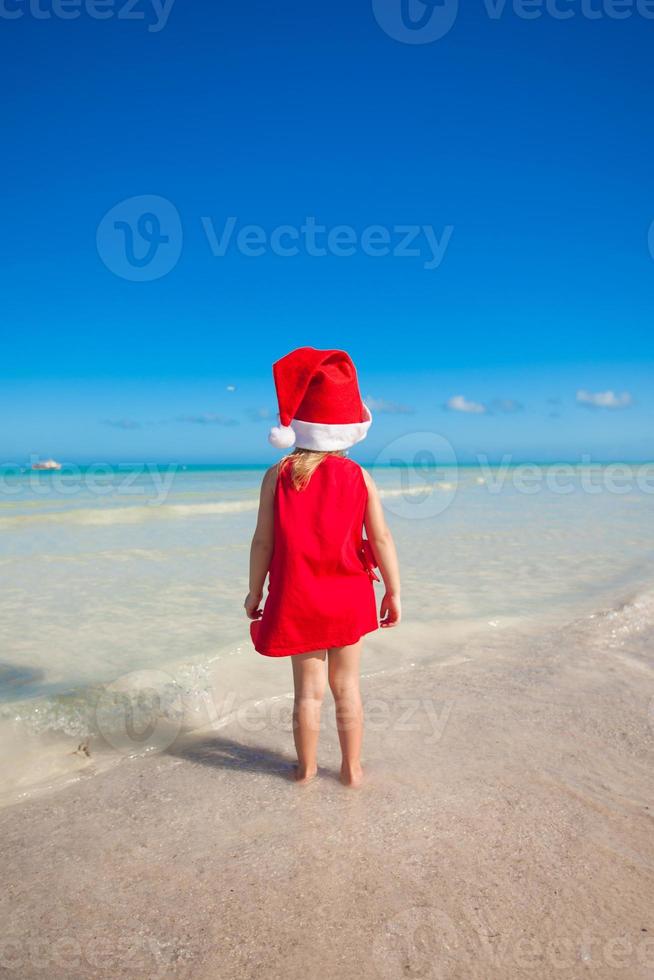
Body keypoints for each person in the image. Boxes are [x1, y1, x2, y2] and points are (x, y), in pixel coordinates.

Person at [244, 347, 401, 787]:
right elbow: (383, 538)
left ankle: (306, 769)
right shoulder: (360, 478)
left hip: (299, 599)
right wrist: (393, 590)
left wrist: (255, 592)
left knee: (308, 694)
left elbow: (262, 541)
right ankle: (351, 770)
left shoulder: (278, 475)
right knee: (347, 686)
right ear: (347, 430)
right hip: (348, 596)